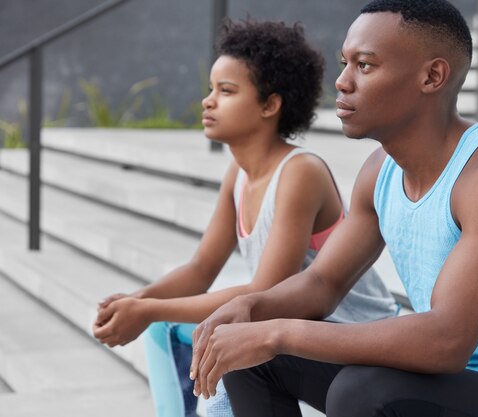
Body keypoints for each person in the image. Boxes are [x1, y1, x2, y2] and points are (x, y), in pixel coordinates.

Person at [189, 1, 478, 417]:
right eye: (344, 63)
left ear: (432, 76)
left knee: (362, 391)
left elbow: (446, 340)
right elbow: (322, 282)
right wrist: (254, 310)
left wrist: (280, 332)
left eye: (365, 66)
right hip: (448, 388)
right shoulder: (380, 173)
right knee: (248, 352)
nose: (342, 82)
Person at [91, 19, 398, 417]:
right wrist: (137, 300)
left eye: (226, 91)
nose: (208, 101)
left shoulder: (299, 172)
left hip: (348, 333)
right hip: (284, 322)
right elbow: (202, 268)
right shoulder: (238, 174)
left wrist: (149, 308)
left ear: (270, 105)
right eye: (210, 89)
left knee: (223, 349)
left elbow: (266, 289)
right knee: (163, 328)